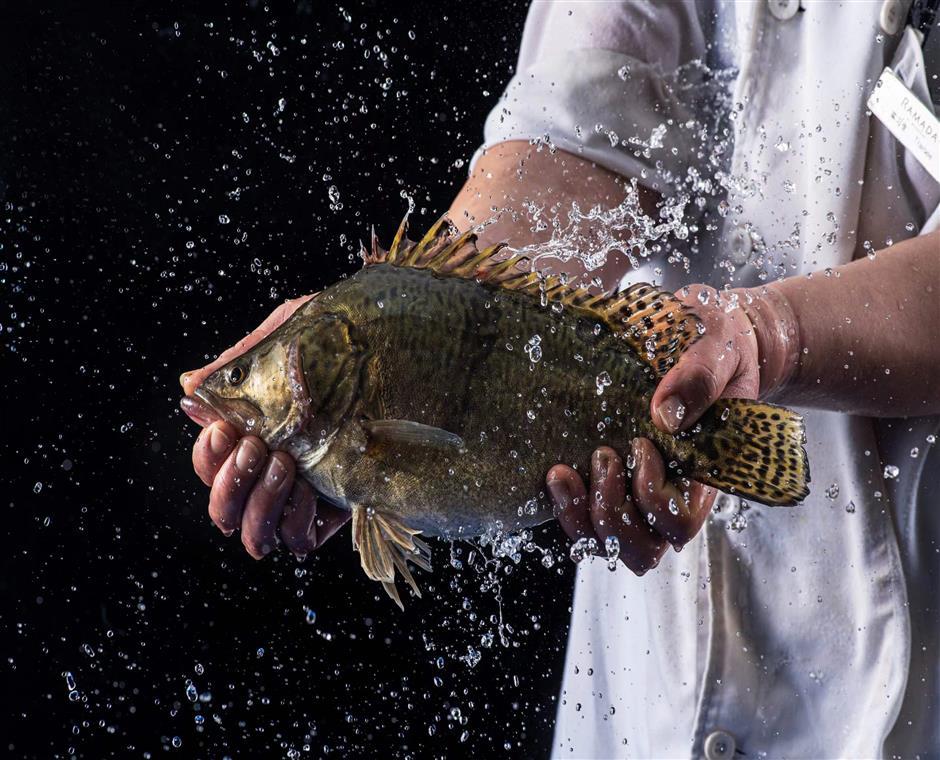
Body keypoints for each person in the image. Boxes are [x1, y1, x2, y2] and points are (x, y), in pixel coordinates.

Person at [182, 2, 940, 756]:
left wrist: (777, 337)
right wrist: (403, 311)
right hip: (648, 684)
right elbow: (578, 129)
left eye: (253, 374)